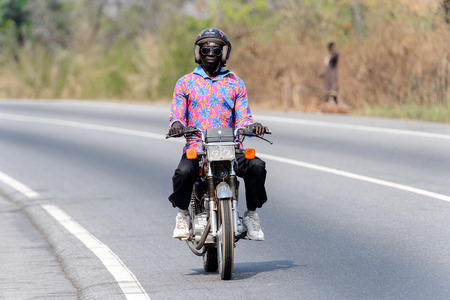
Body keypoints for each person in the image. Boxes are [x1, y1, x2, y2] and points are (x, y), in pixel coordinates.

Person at [168, 28, 269, 241]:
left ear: (224, 53)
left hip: (231, 146)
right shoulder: (185, 82)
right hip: (197, 146)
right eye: (205, 49)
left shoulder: (236, 82)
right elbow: (177, 114)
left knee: (257, 167)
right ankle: (183, 214)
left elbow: (243, 117)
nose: (211, 53)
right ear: (198, 53)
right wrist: (177, 125)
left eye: (216, 49)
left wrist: (251, 126)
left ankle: (251, 215)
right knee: (184, 172)